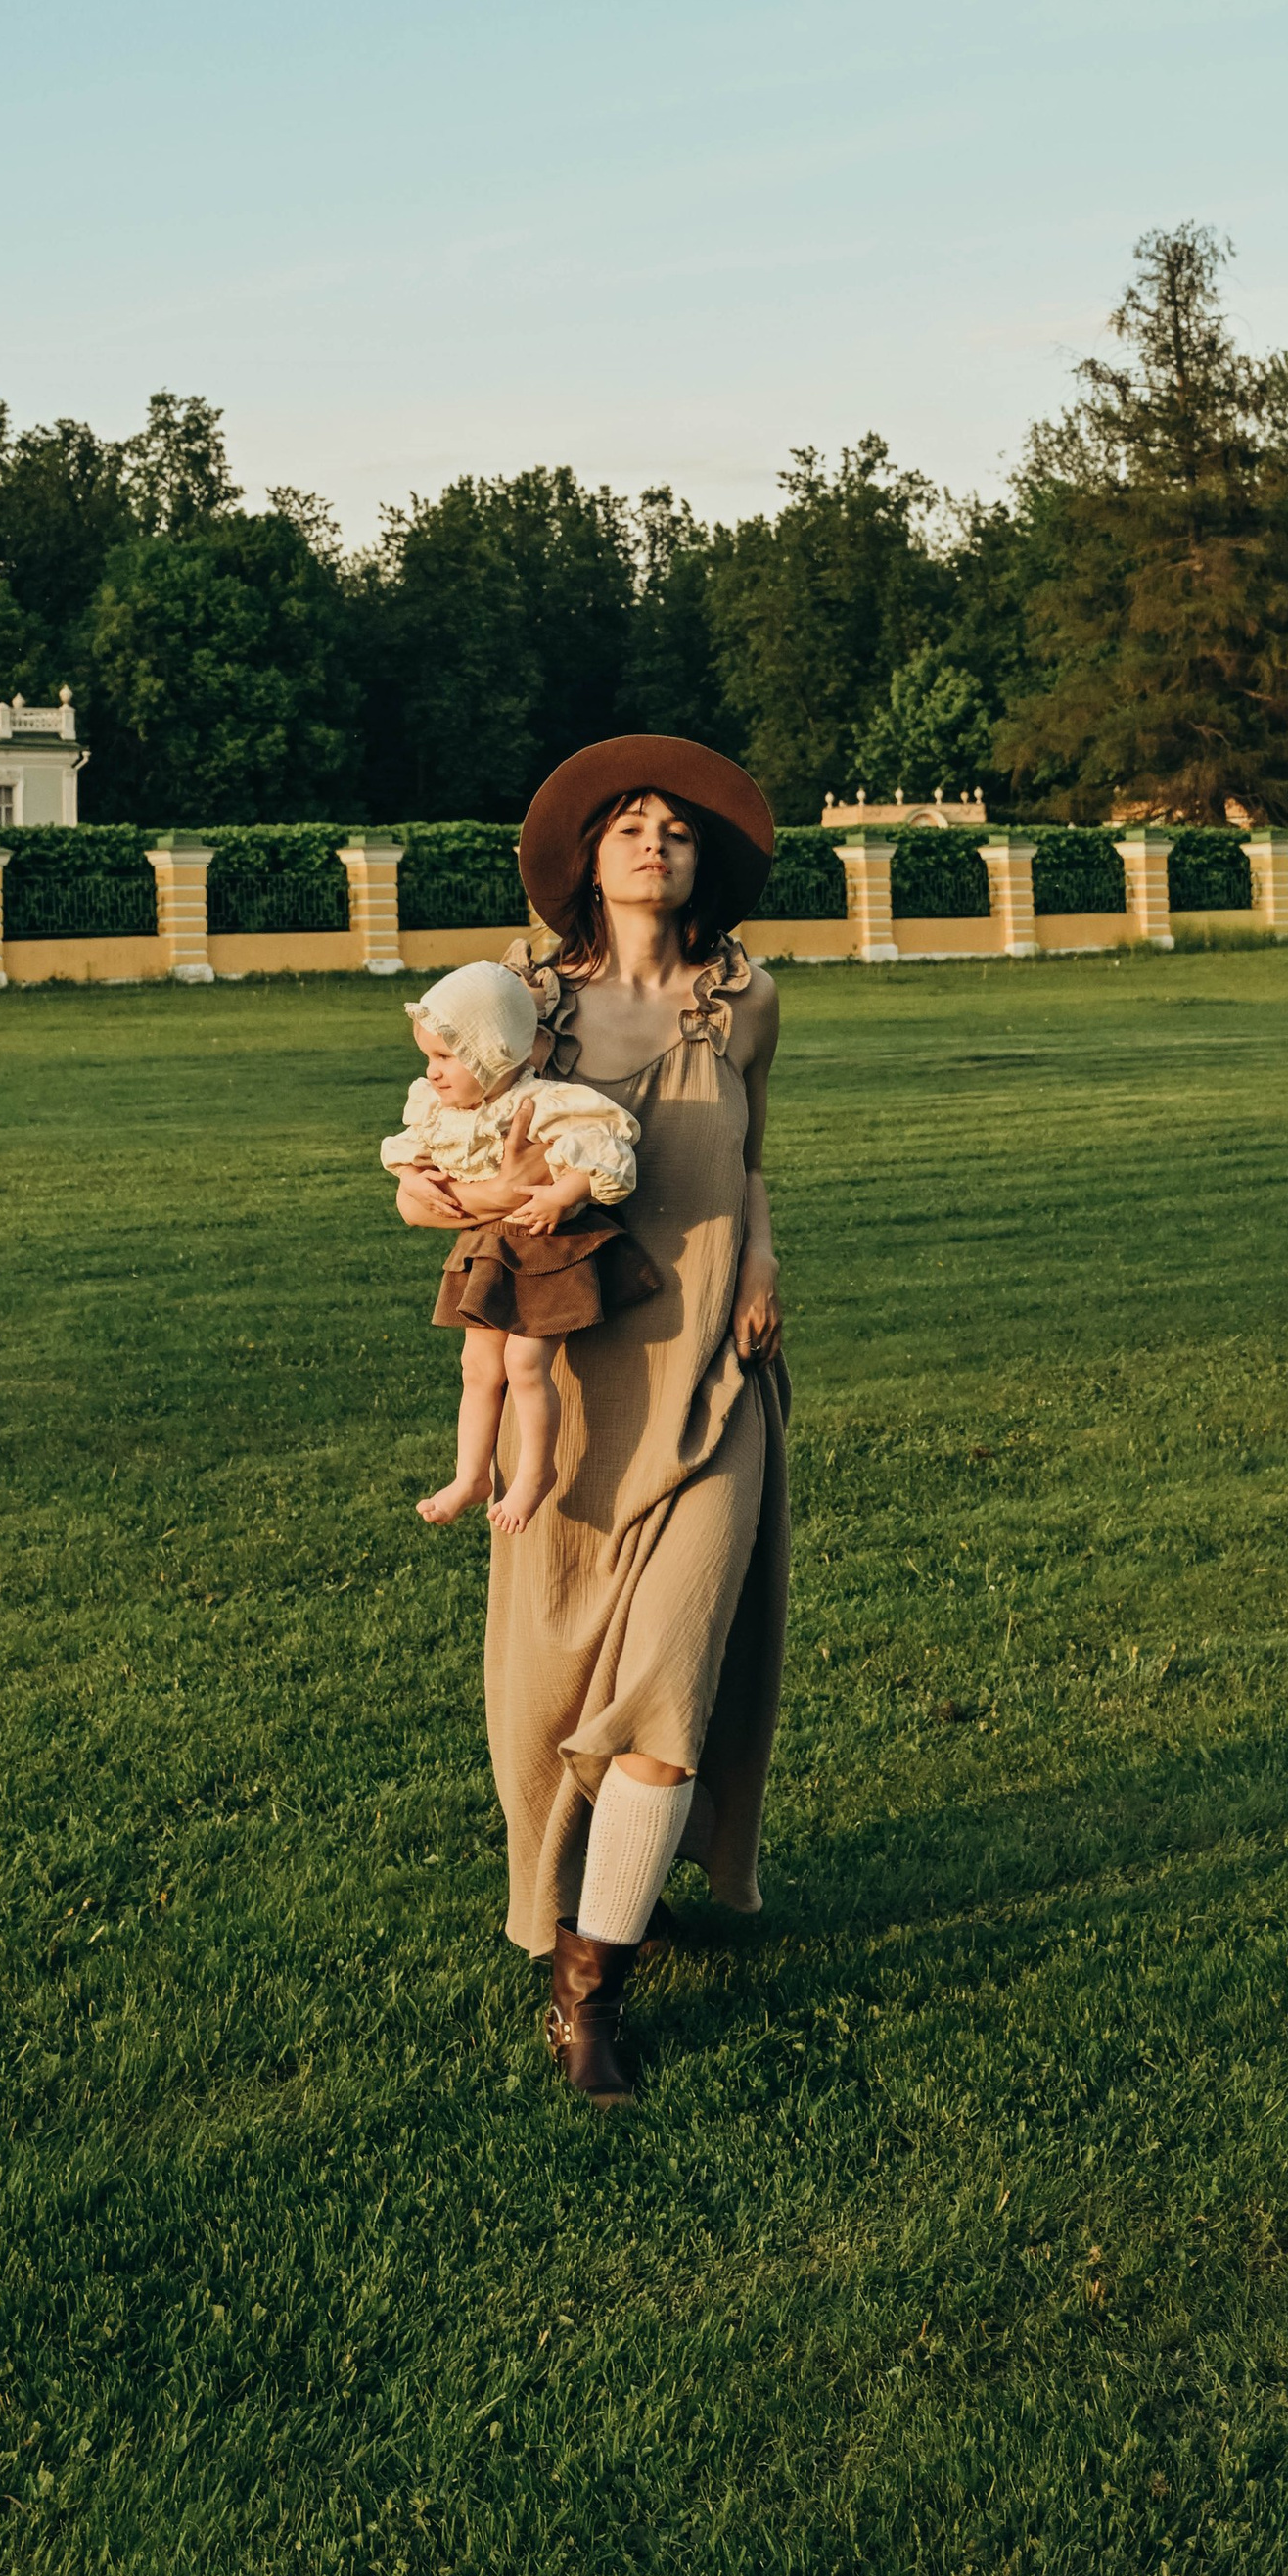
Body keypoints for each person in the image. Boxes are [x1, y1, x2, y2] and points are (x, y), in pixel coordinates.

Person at [389, 736, 787, 2107]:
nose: (653, 837)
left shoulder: (747, 998)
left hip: (713, 1372)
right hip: (569, 1372)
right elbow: (424, 1164)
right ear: (587, 857)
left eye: (676, 825)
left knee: (671, 1679)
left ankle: (591, 1982)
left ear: (702, 863)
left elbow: (751, 1154)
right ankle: (590, 1879)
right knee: (555, 1668)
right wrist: (449, 1207)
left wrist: (769, 1264)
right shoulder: (524, 1005)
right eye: (628, 820)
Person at [379, 960, 647, 1534]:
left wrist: (562, 1195)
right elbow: (404, 1150)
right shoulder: (440, 1112)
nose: (434, 1074)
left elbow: (607, 1152)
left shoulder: (543, 1102)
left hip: (546, 1245)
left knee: (525, 1364)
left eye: (448, 1058)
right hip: (489, 1247)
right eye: (428, 1058)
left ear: (493, 1053)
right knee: (477, 1366)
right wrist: (409, 1176)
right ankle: (471, 1475)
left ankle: (534, 1472)